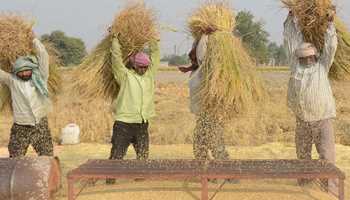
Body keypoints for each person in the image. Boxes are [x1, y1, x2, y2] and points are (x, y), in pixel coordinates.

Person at [284, 9, 338, 192]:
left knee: (327, 154)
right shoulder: (295, 67)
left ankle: (329, 187)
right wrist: (291, 20)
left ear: (315, 56)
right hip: (302, 119)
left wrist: (330, 23)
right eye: (303, 57)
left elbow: (331, 46)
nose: (307, 59)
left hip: (323, 119)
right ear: (299, 57)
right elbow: (290, 42)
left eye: (310, 56)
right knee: (303, 154)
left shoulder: (323, 65)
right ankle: (305, 185)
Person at [107, 32, 159, 184]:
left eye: (145, 67)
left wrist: (153, 39)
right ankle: (110, 181)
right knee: (117, 154)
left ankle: (140, 180)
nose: (143, 69)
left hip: (142, 123)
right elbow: (116, 59)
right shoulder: (124, 76)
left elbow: (155, 57)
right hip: (124, 123)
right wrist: (115, 39)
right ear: (133, 65)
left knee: (143, 155)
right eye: (140, 66)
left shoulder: (149, 76)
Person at [178, 29, 230, 163]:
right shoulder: (197, 71)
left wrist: (204, 34)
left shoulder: (207, 70)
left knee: (213, 141)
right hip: (202, 114)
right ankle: (206, 172)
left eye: (193, 58)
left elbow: (203, 55)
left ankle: (226, 172)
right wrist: (190, 68)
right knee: (202, 143)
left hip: (210, 112)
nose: (192, 59)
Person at [0, 38, 53, 158]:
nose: (24, 74)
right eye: (20, 71)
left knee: (47, 157)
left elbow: (43, 56)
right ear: (16, 72)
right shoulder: (12, 81)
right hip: (20, 126)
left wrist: (33, 40)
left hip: (40, 124)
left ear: (32, 68)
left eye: (27, 70)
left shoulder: (41, 77)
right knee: (15, 157)